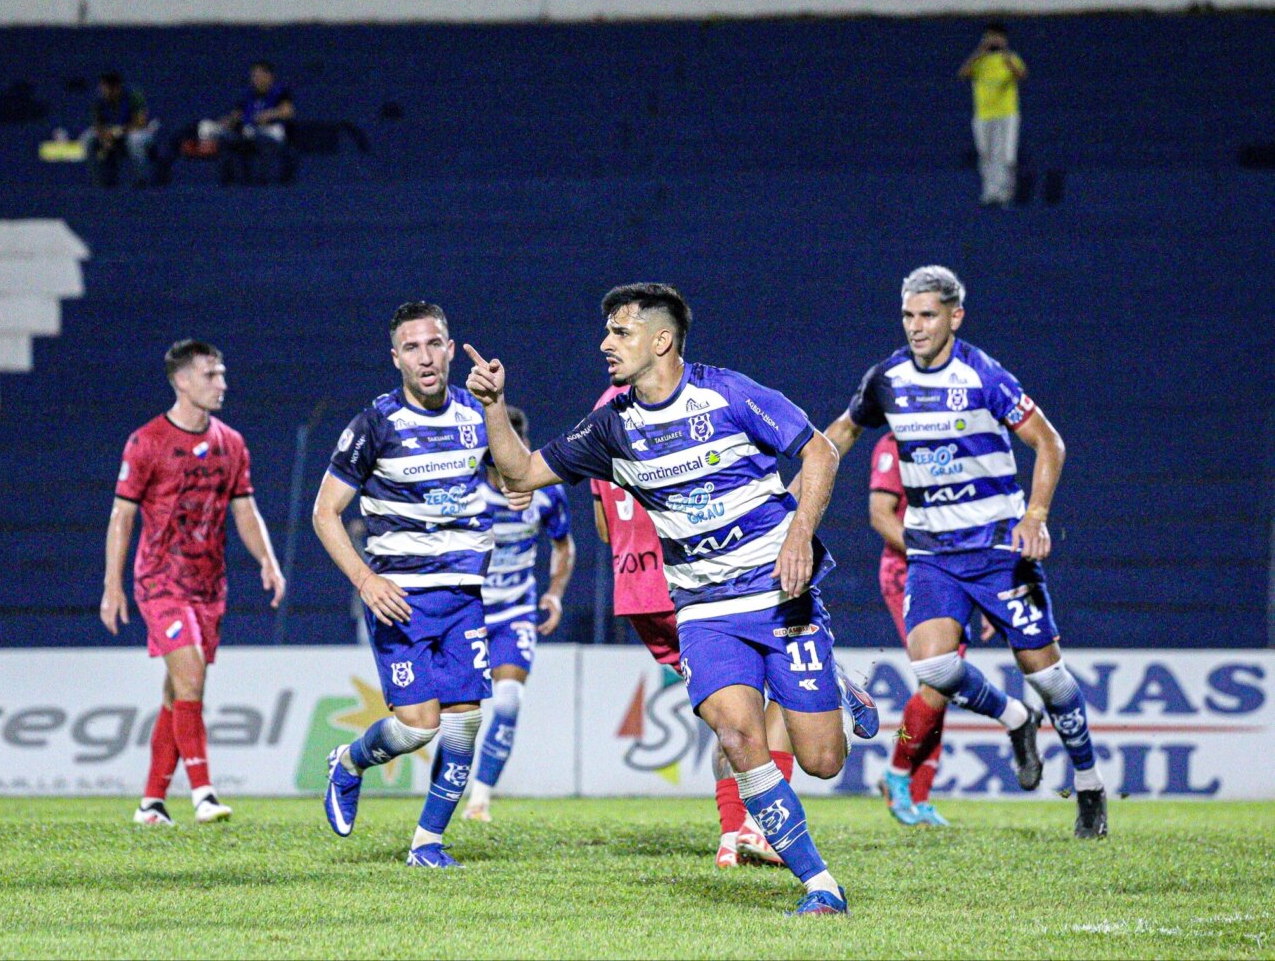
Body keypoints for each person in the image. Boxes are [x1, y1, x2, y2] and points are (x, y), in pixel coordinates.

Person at [464, 282, 880, 916]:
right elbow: (521, 473)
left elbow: (819, 451)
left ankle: (836, 685)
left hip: (778, 593)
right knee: (737, 737)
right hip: (704, 608)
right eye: (607, 332)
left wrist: (800, 535)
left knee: (823, 760)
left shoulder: (729, 394)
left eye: (621, 332)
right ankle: (819, 884)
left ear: (661, 340)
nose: (605, 344)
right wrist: (494, 405)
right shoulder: (611, 424)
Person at [821, 265, 1107, 838]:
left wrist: (1036, 515)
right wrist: (808, 465)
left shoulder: (984, 376)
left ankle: (1090, 786)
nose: (916, 326)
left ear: (955, 317)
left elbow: (1048, 442)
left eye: (928, 315)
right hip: (932, 553)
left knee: (1049, 678)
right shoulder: (887, 378)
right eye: (908, 315)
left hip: (998, 549)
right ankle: (1013, 718)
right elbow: (844, 432)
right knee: (932, 667)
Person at [314, 301, 523, 868]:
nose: (425, 358)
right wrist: (364, 580)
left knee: (464, 723)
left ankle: (427, 844)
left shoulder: (476, 412)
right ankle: (349, 762)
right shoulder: (374, 425)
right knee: (417, 728)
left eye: (434, 344)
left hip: (464, 596)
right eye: (412, 347)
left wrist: (498, 408)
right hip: (399, 599)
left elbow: (517, 473)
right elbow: (325, 512)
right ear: (396, 358)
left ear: (450, 350)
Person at [589, 383, 796, 870]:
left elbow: (603, 528)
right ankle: (761, 826)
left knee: (730, 714)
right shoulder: (676, 399)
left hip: (637, 592)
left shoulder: (599, 414)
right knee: (790, 688)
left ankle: (731, 838)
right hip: (691, 581)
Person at [101, 339, 285, 826]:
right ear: (182, 381)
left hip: (209, 586)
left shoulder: (231, 443)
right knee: (192, 676)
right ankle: (203, 793)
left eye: (221, 374)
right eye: (210, 375)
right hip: (160, 581)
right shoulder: (146, 442)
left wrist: (267, 561)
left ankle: (150, 804)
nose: (222, 383)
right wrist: (112, 585)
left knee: (177, 691)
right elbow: (122, 516)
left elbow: (244, 509)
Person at [869, 432, 996, 827]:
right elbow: (881, 515)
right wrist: (930, 558)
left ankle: (919, 797)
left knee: (944, 685)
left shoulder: (961, 440)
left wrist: (988, 590)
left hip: (957, 576)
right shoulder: (896, 442)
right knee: (939, 680)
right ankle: (897, 774)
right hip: (909, 573)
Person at [462, 405, 576, 822]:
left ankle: (480, 800)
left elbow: (563, 545)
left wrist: (555, 594)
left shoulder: (545, 491)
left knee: (508, 701)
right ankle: (446, 792)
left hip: (515, 610)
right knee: (459, 715)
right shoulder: (465, 490)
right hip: (467, 613)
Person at [957, 23, 1027, 206]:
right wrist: (979, 52)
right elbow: (963, 74)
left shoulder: (1011, 58)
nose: (993, 41)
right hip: (983, 113)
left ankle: (1006, 193)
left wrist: (1005, 53)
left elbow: (1021, 75)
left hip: (1007, 113)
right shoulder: (979, 61)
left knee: (1007, 155)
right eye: (989, 37)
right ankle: (990, 192)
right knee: (985, 154)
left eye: (997, 37)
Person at [206, 61, 295, 185]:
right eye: (253, 75)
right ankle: (229, 183)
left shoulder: (280, 92)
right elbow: (237, 114)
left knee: (262, 142)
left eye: (259, 75)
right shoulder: (248, 95)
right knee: (228, 140)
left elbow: (288, 111)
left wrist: (268, 115)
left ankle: (262, 183)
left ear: (269, 76)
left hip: (272, 134)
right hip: (250, 132)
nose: (255, 79)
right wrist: (228, 121)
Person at [82, 72, 156, 187]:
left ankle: (142, 181)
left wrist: (118, 131)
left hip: (136, 132)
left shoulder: (133, 96)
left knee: (135, 140)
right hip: (111, 134)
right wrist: (104, 137)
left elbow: (140, 122)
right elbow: (97, 125)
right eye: (102, 88)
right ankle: (98, 181)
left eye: (106, 88)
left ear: (116, 87)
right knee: (87, 138)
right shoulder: (99, 100)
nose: (103, 91)